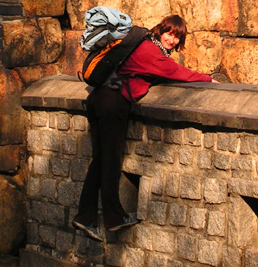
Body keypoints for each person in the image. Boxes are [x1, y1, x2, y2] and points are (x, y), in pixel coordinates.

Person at [72, 14, 214, 241]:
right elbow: (176, 72)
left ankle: (85, 217)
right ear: (161, 30)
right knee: (111, 159)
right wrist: (208, 79)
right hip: (113, 103)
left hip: (99, 99)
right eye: (170, 34)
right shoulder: (150, 51)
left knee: (100, 159)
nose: (173, 40)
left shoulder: (144, 45)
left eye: (178, 38)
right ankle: (113, 218)